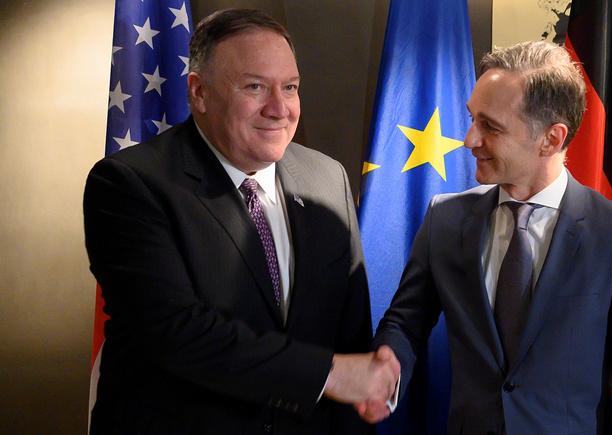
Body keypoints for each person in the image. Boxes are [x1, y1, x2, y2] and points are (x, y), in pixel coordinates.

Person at [84, 9, 398, 435]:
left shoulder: (327, 180)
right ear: (199, 93)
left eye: (290, 87)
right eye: (255, 87)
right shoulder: (130, 184)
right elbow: (176, 333)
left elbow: (349, 336)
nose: (279, 109)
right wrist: (327, 375)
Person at [368, 41, 612, 434]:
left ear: (552, 139)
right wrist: (386, 364)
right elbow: (405, 323)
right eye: (472, 118)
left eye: (490, 126)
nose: (469, 139)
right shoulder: (445, 219)